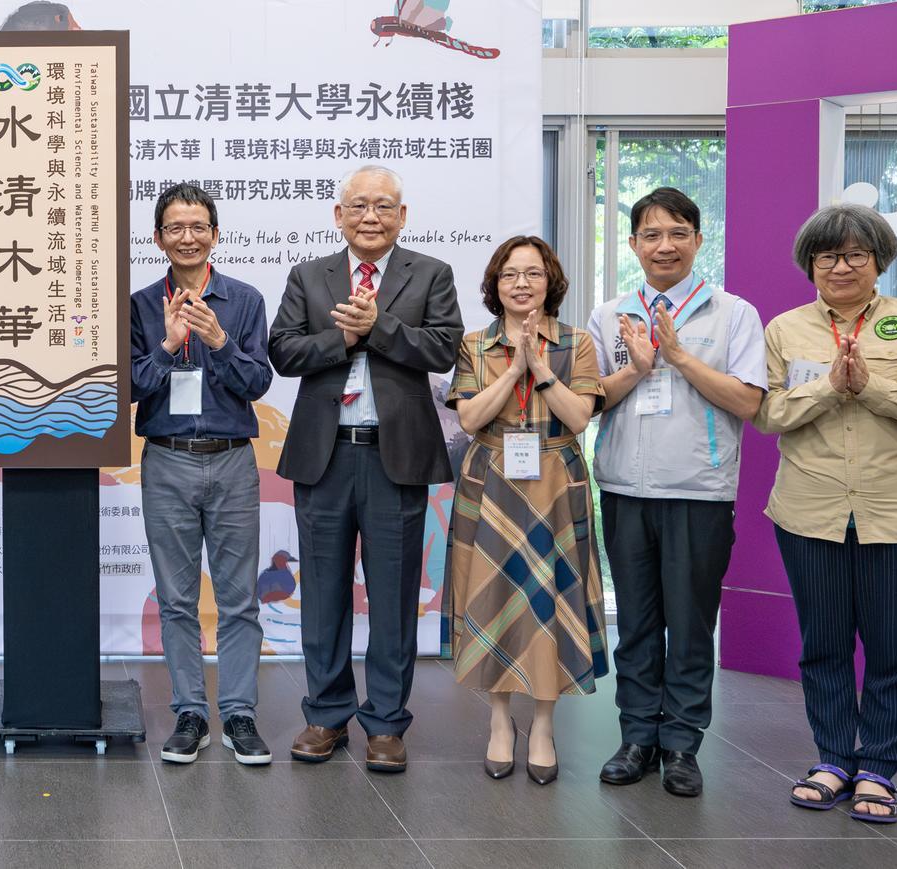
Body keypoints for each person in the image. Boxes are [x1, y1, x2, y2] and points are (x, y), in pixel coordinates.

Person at [757, 203, 897, 826]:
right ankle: (832, 759)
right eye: (827, 256)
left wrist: (870, 385)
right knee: (822, 645)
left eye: (855, 256)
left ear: (879, 262)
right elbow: (767, 413)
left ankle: (878, 767)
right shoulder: (786, 329)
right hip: (809, 509)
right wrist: (828, 388)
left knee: (893, 648)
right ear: (809, 264)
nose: (840, 267)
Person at [269, 165, 461, 772]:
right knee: (323, 594)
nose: (370, 216)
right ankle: (325, 716)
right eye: (358, 206)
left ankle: (385, 722)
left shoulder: (431, 274)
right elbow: (283, 351)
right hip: (325, 456)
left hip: (394, 456)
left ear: (402, 217)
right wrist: (344, 340)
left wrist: (380, 328)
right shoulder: (309, 276)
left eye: (383, 206)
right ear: (338, 215)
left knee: (393, 595)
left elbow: (442, 349)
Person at [588, 188, 766, 798]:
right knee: (635, 622)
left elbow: (748, 401)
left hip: (699, 490)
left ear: (698, 239)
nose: (664, 245)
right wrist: (636, 368)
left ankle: (682, 743)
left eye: (678, 233)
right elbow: (590, 403)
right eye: (651, 235)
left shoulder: (734, 313)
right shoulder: (610, 315)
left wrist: (679, 357)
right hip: (624, 487)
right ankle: (636, 736)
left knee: (690, 624)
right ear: (634, 244)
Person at [448, 236, 607, 784]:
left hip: (554, 484)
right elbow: (470, 421)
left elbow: (579, 418)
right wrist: (513, 370)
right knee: (492, 597)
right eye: (510, 274)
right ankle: (499, 722)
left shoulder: (576, 342)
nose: (521, 283)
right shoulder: (475, 344)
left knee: (549, 601)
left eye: (533, 273)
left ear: (550, 282)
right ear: (495, 285)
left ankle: (542, 724)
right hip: (492, 481)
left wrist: (540, 368)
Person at [130, 183, 276, 766]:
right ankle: (190, 712)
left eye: (198, 227)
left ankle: (239, 714)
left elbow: (258, 384)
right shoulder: (140, 304)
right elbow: (130, 388)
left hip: (233, 458)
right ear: (159, 237)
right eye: (175, 228)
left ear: (214, 234)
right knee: (176, 599)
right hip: (166, 458)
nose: (186, 237)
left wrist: (218, 340)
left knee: (240, 600)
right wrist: (167, 346)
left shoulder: (243, 300)